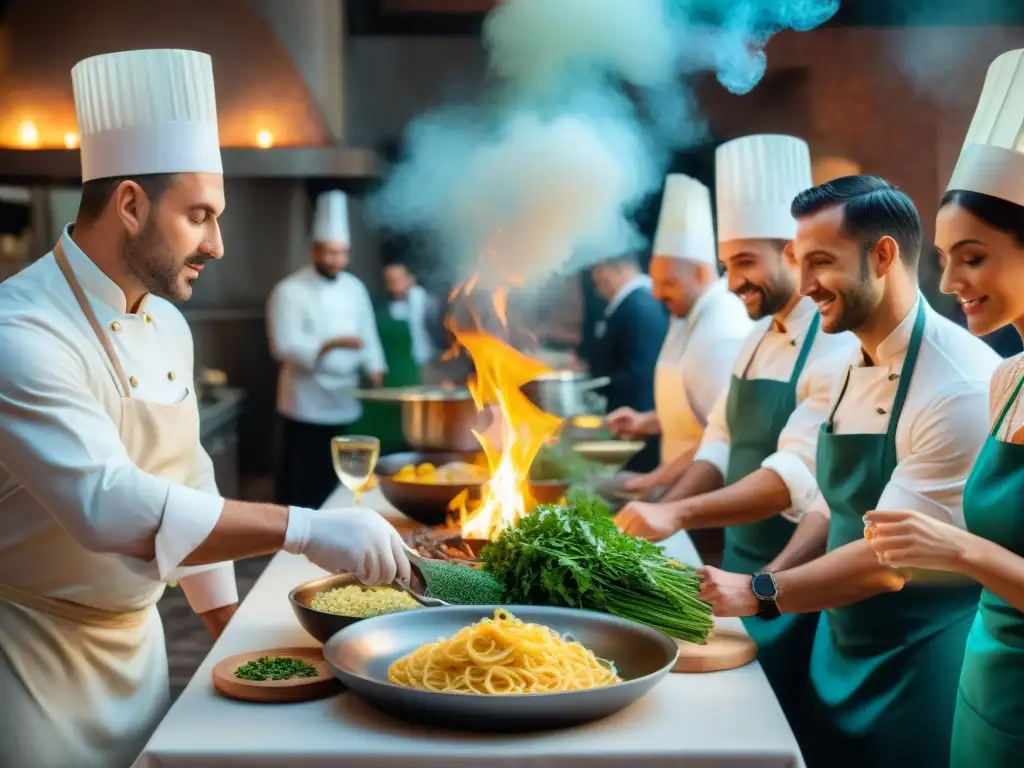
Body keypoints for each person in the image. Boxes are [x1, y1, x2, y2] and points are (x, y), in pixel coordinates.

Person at [0, 49, 409, 768]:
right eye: (199, 216)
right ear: (129, 205)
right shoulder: (19, 333)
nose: (216, 243)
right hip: (30, 661)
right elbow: (109, 507)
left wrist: (225, 626)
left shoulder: (167, 322)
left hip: (141, 649)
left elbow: (189, 479)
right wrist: (306, 529)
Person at [698, 175, 1001, 768]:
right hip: (836, 651)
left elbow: (890, 560)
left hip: (912, 670)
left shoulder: (957, 385)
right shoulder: (848, 357)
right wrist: (766, 581)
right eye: (798, 261)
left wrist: (761, 592)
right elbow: (827, 506)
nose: (804, 284)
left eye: (820, 262)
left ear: (882, 255)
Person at [615, 135, 857, 738]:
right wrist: (664, 507)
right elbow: (718, 445)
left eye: (743, 263)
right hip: (734, 571)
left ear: (793, 250)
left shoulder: (834, 339)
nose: (730, 284)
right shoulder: (755, 338)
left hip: (792, 573)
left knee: (779, 727)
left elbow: (793, 480)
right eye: (725, 266)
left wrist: (679, 516)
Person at [864, 49, 1024, 767]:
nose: (949, 279)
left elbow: (977, 552)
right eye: (946, 256)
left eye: (975, 256)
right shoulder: (1008, 381)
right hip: (984, 691)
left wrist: (958, 548)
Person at [606, 174, 750, 486]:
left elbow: (723, 436)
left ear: (700, 272)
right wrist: (649, 422)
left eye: (668, 283)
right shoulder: (686, 313)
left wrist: (655, 482)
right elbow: (696, 411)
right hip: (681, 487)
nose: (657, 294)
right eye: (655, 281)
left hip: (706, 494)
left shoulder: (722, 331)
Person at [267, 190, 387, 508]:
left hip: (345, 398)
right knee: (305, 480)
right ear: (314, 250)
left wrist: (375, 367)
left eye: (342, 253)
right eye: (331, 252)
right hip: (306, 401)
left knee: (343, 480)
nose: (337, 260)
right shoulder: (289, 290)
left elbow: (368, 332)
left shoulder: (354, 287)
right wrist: (332, 345)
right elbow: (283, 346)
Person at [588, 253, 667, 472]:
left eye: (597, 276)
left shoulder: (638, 305)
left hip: (640, 417)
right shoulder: (634, 302)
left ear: (607, 270)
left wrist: (597, 385)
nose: (597, 284)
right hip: (635, 419)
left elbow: (641, 371)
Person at [351, 260, 438, 454]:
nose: (394, 284)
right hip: (386, 373)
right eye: (389, 280)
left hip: (415, 372)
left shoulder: (425, 305)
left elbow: (435, 341)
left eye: (398, 279)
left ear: (410, 280)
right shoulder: (377, 307)